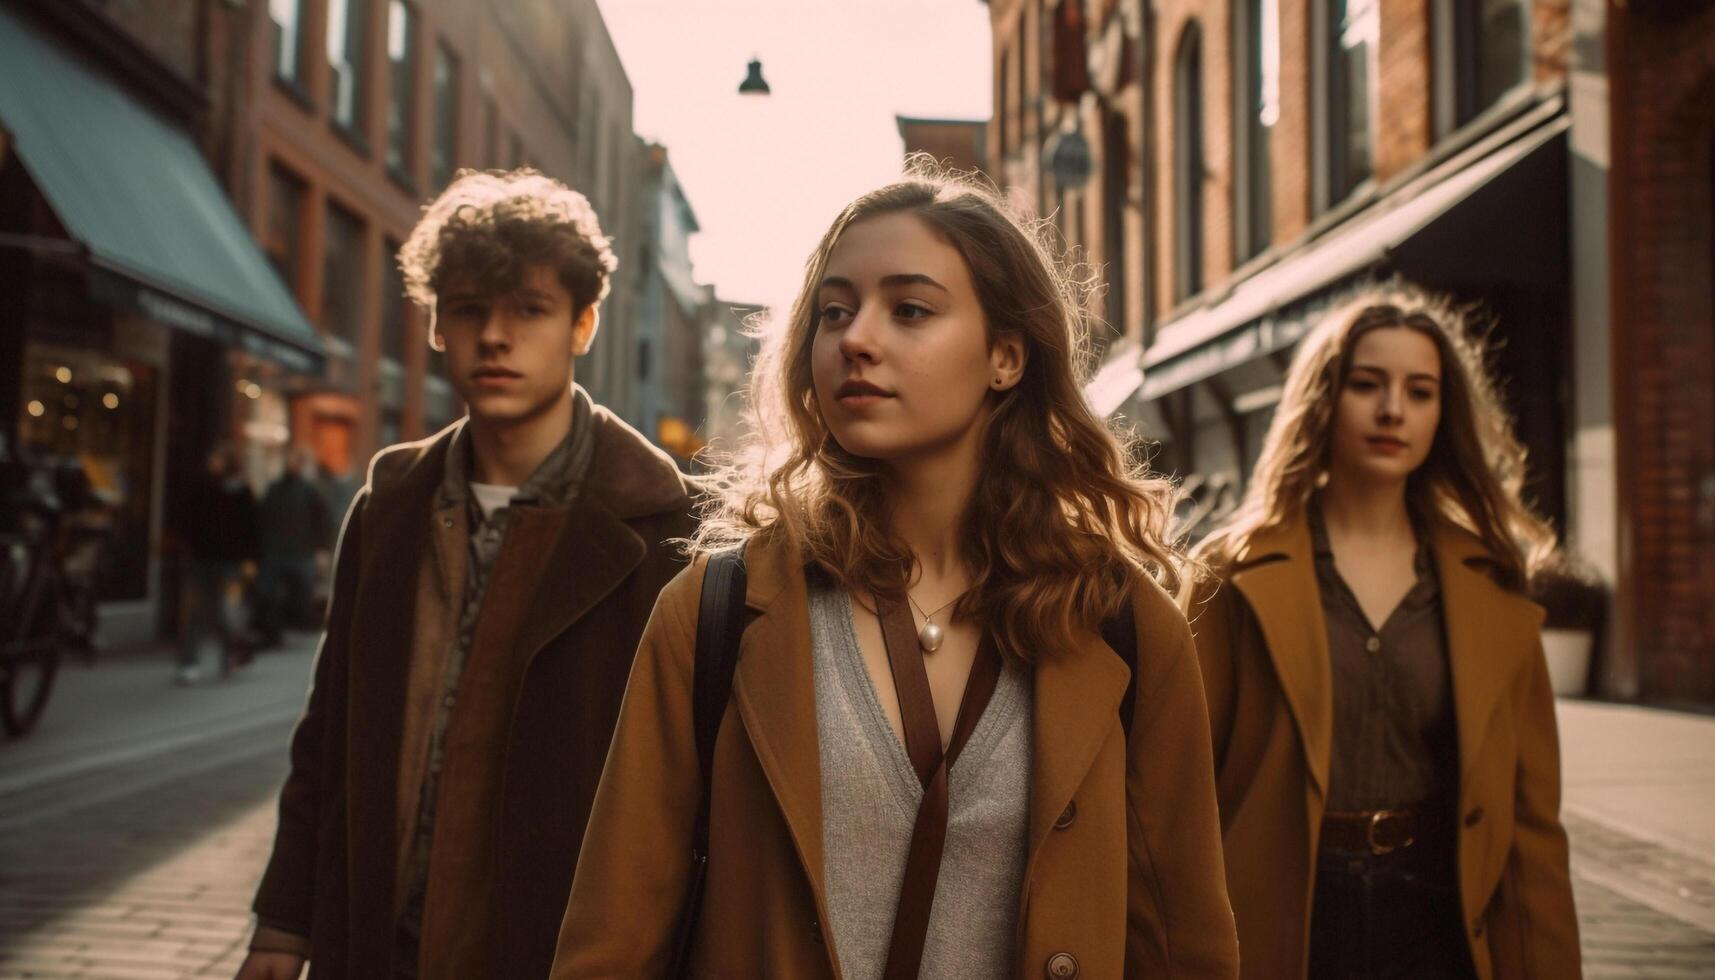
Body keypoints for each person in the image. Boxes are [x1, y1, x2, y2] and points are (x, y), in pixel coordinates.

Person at [551, 167, 1238, 978]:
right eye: (834, 311)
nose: (856, 339)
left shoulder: (1121, 623)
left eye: (909, 309)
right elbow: (613, 942)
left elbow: (1181, 942)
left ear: (1006, 358)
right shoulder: (718, 611)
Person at [236, 168, 698, 980]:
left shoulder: (662, 525)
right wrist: (283, 922)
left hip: (555, 950)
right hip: (377, 942)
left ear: (583, 324)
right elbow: (328, 733)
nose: (496, 336)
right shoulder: (390, 504)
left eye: (529, 310)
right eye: (470, 309)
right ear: (438, 326)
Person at [1180, 284, 1581, 979]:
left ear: (1440, 413)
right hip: (1280, 911)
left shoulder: (1488, 582)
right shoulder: (1230, 572)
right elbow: (1177, 786)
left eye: (1419, 391)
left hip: (1439, 908)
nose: (1393, 409)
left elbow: (1530, 824)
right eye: (1367, 384)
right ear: (1323, 399)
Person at [176, 444, 260, 685]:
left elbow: (252, 529)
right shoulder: (202, 488)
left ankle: (230, 655)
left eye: (217, 458)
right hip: (202, 560)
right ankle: (189, 662)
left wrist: (251, 559)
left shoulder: (242, 492)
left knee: (227, 611)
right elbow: (188, 521)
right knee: (194, 612)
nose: (213, 462)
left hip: (231, 564)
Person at [251, 447, 332, 648]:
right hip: (276, 551)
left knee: (301, 594)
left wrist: (321, 550)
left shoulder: (310, 491)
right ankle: (271, 633)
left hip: (300, 552)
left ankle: (296, 625)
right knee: (267, 594)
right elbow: (263, 519)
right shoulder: (275, 489)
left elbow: (322, 521)